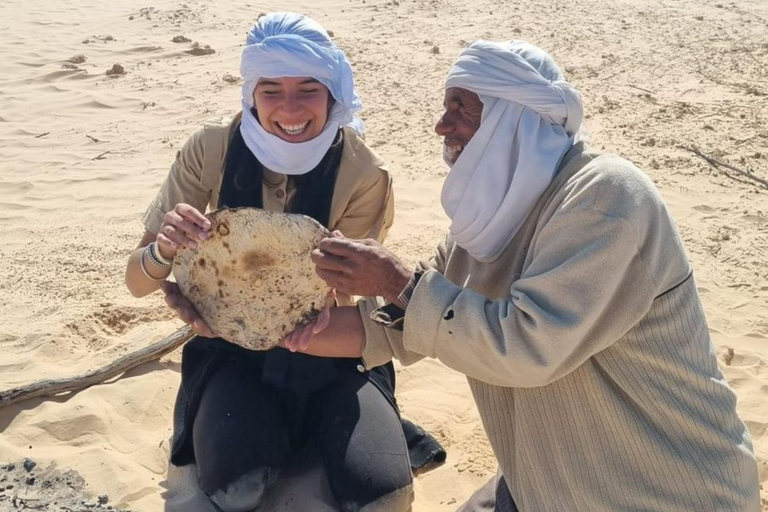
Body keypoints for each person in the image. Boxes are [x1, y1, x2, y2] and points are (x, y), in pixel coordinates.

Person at [283, 40, 761, 511]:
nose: (440, 125)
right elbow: (389, 328)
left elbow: (527, 348)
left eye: (461, 108)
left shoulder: (605, 197)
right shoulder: (485, 221)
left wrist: (396, 283)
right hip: (547, 480)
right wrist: (254, 325)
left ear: (517, 117)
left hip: (660, 492)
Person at [124, 13, 416, 512]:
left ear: (333, 95)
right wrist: (166, 251)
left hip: (330, 357)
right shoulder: (211, 150)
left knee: (381, 496)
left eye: (308, 90)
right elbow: (136, 281)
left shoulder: (364, 173)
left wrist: (322, 309)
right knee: (237, 490)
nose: (289, 109)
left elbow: (349, 299)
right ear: (250, 94)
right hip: (231, 352)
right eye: (271, 91)